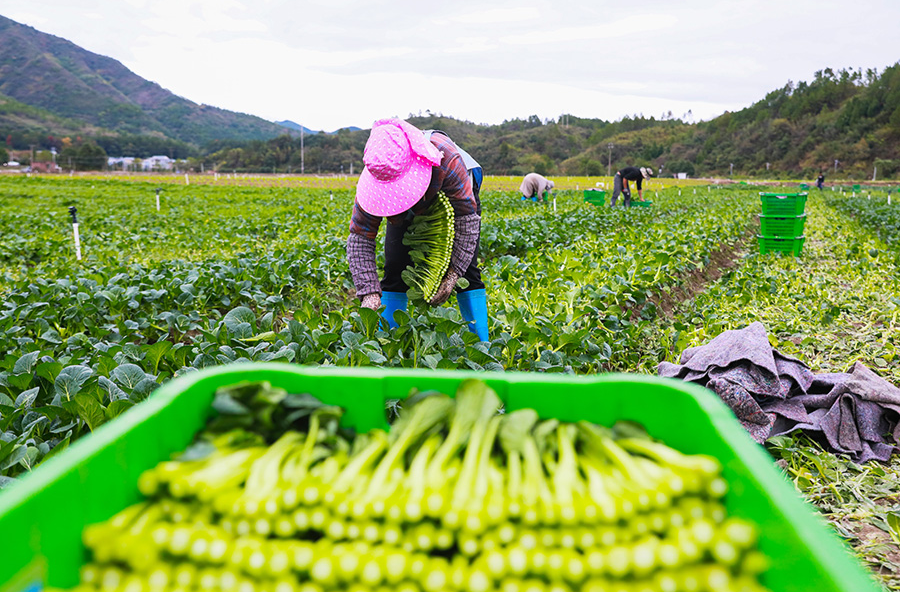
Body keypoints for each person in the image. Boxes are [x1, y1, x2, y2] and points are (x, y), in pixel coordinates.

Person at [346, 118, 489, 341]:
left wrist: (452, 275)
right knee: (394, 265)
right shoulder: (378, 170)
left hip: (454, 195)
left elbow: (466, 220)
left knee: (467, 271)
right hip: (416, 194)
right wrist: (368, 292)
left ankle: (482, 345)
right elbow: (360, 236)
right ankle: (390, 343)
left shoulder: (447, 160)